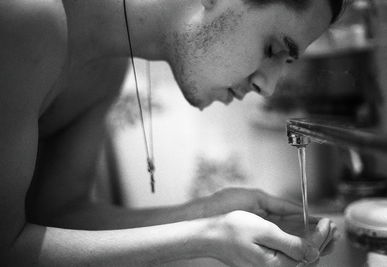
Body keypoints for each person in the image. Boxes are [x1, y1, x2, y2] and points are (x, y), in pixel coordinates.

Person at [0, 0, 343, 266]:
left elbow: (57, 215)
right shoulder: (27, 16)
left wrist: (207, 214)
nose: (268, 87)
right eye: (272, 49)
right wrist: (207, 236)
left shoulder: (107, 67)